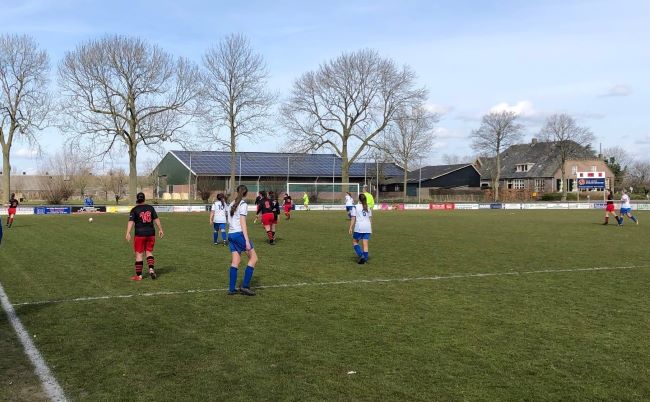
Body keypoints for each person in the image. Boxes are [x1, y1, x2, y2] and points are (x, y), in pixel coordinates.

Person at [227, 185, 258, 296]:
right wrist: (247, 240)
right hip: (238, 234)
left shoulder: (231, 204)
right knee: (254, 258)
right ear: (246, 193)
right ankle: (245, 286)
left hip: (230, 234)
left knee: (235, 261)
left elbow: (229, 220)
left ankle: (231, 289)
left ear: (237, 192)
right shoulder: (243, 204)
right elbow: (242, 223)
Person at [125, 192, 164, 281]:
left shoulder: (134, 209)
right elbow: (156, 219)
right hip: (151, 233)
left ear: (137, 199)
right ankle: (151, 269)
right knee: (149, 252)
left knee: (139, 254)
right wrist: (160, 229)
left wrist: (128, 232)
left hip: (140, 234)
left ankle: (139, 276)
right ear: (144, 199)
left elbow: (131, 221)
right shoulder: (150, 208)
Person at [349, 193, 372, 264]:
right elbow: (370, 219)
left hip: (359, 227)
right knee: (365, 244)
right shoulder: (368, 207)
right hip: (367, 227)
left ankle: (362, 256)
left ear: (359, 199)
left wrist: (350, 227)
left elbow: (353, 218)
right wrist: (370, 228)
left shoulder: (355, 207)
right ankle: (365, 259)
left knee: (355, 242)